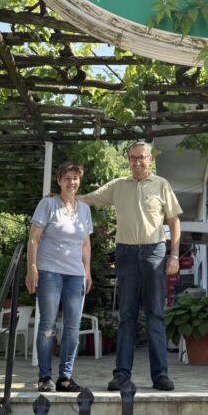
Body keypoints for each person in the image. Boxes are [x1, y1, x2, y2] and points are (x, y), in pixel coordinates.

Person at [81, 141, 182, 392]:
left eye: (141, 157)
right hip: (125, 253)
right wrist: (64, 197)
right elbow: (90, 199)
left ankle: (160, 376)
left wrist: (175, 256)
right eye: (132, 158)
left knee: (155, 315)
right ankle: (121, 375)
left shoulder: (162, 185)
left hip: (154, 253)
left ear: (150, 159)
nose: (137, 162)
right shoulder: (118, 186)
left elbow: (174, 221)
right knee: (126, 316)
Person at [26, 162, 93, 393]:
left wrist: (87, 271)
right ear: (59, 181)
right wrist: (32, 268)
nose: (71, 182)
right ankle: (45, 377)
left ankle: (65, 377)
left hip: (75, 275)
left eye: (75, 178)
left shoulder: (84, 209)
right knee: (48, 325)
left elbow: (85, 242)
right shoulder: (48, 204)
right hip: (50, 272)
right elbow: (33, 238)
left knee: (73, 328)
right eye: (67, 178)